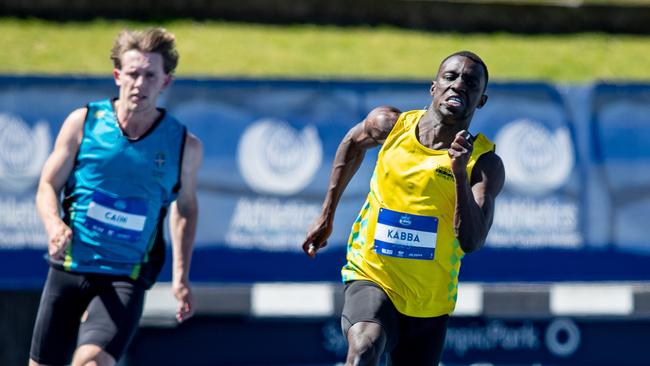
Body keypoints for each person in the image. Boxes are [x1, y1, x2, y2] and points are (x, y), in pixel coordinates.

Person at [302, 51, 505, 365]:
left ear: (481, 100)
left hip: (429, 301)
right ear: (433, 87)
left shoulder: (484, 163)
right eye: (450, 77)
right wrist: (326, 214)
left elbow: (472, 240)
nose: (459, 85)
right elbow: (353, 143)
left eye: (471, 82)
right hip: (373, 274)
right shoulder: (390, 125)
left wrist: (459, 172)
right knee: (364, 349)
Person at [29, 27, 203, 366]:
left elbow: (186, 208)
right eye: (133, 73)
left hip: (127, 274)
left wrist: (181, 277)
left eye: (150, 75)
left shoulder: (184, 146)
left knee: (93, 362)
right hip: (69, 267)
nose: (140, 84)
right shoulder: (84, 123)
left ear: (165, 81)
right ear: (117, 75)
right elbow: (47, 185)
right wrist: (53, 225)